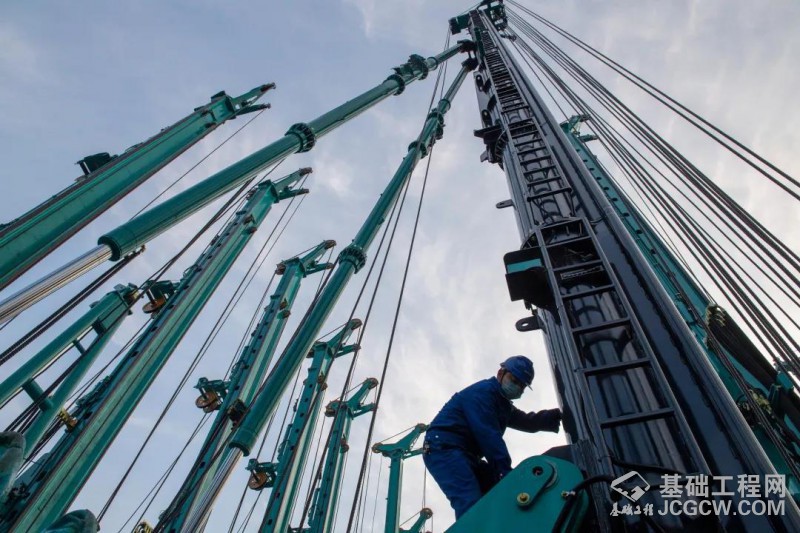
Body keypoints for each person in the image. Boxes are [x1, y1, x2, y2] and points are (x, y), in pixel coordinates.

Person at [423, 355, 562, 519]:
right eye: (514, 380)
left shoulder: (502, 404)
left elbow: (527, 422)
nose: (517, 387)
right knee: (470, 502)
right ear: (500, 373)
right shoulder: (483, 394)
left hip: (466, 455)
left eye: (521, 385)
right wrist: (504, 472)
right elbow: (489, 436)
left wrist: (558, 415)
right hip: (443, 449)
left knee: (499, 493)